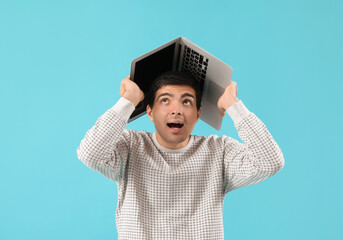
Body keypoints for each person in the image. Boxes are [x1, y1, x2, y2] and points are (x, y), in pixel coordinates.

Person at [76, 71, 285, 239]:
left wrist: (233, 105)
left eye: (186, 102)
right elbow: (90, 153)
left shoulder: (218, 151)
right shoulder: (130, 146)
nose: (176, 110)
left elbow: (270, 161)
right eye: (165, 101)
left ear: (198, 113)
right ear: (149, 112)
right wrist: (129, 100)